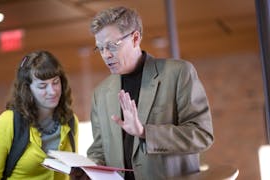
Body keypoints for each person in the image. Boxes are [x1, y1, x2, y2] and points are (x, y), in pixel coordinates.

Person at [86, 6, 214, 179]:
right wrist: (87, 171)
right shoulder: (100, 94)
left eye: (111, 46)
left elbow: (202, 135)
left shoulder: (178, 73)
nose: (106, 55)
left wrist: (145, 132)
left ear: (135, 38)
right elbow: (99, 150)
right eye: (100, 48)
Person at [0, 50, 78, 179]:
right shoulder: (8, 121)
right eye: (42, 86)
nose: (52, 91)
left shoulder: (70, 120)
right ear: (27, 90)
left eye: (55, 82)